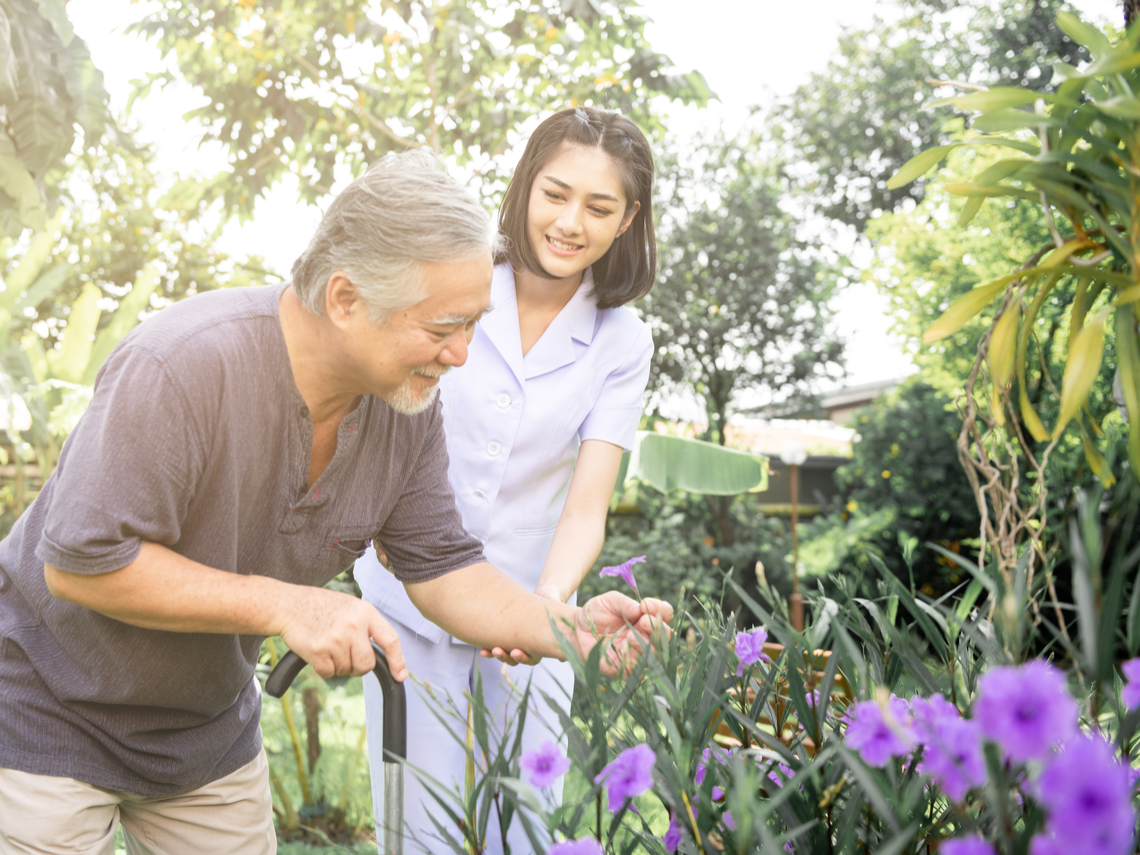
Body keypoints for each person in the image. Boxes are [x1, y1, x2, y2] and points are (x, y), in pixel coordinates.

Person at [0, 149, 671, 855]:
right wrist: (289, 603)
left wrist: (572, 629)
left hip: (202, 734)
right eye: (443, 327)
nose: (462, 355)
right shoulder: (184, 365)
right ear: (346, 299)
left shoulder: (404, 411)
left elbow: (444, 567)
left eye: (474, 324)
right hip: (48, 713)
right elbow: (82, 564)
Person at [355, 106, 657, 854]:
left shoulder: (622, 339)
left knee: (523, 823)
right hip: (407, 597)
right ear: (525, 187)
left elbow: (587, 503)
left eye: (598, 206)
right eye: (555, 193)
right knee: (412, 823)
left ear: (628, 219)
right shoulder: (455, 283)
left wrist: (546, 608)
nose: (570, 221)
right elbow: (377, 417)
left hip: (531, 600)